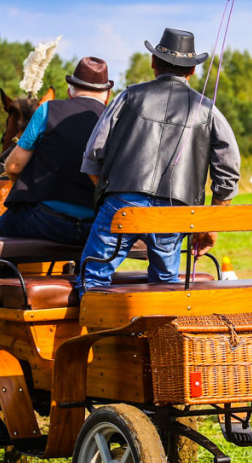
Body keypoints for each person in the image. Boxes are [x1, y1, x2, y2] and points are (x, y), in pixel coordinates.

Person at [78, 28, 240, 294]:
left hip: (122, 202)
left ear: (153, 62)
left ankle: (95, 330)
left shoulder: (127, 97)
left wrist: (110, 195)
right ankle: (159, 333)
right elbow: (228, 168)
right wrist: (210, 223)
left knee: (93, 277)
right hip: (174, 210)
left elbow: (93, 153)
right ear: (192, 71)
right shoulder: (208, 109)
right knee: (165, 284)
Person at [0, 57, 113, 244]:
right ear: (107, 96)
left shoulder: (47, 110)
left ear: (70, 91)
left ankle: (1, 273)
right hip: (96, 227)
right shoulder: (117, 120)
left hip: (45, 222)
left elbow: (12, 167)